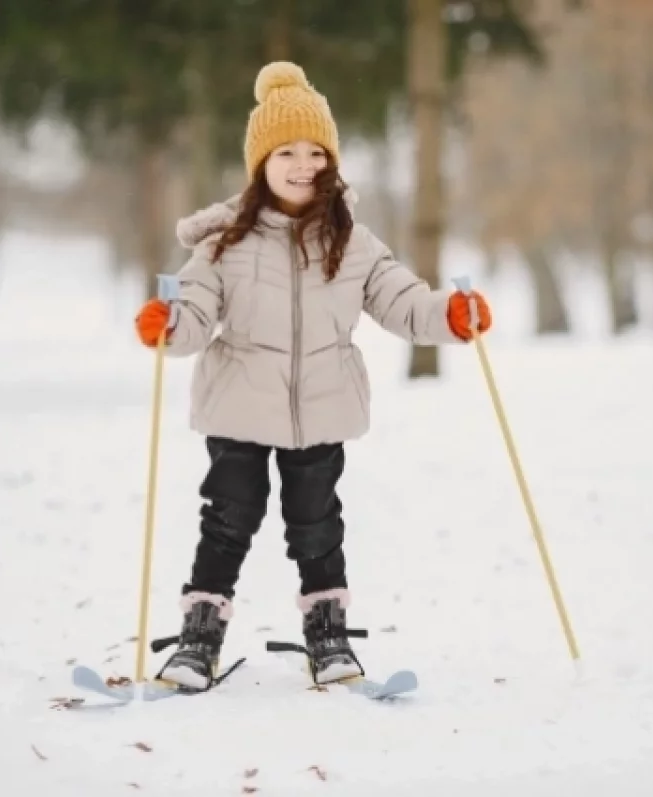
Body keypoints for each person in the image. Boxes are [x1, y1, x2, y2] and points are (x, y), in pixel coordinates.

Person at [133, 61, 493, 691]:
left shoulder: (352, 243)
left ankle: (326, 634)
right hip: (240, 403)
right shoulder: (222, 246)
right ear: (260, 162)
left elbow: (404, 303)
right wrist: (167, 324)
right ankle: (199, 637)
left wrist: (452, 316)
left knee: (317, 521)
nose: (304, 165)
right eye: (287, 152)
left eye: (316, 152)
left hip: (323, 404)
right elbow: (191, 318)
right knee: (229, 517)